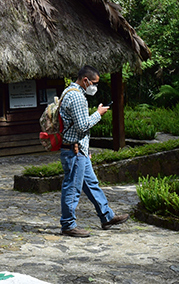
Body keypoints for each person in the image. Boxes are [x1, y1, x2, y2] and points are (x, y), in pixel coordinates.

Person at [58, 65, 129, 237]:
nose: (95, 86)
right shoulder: (77, 97)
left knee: (91, 184)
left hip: (79, 149)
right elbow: (82, 126)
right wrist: (99, 113)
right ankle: (68, 225)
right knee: (72, 188)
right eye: (94, 83)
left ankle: (106, 216)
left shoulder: (69, 91)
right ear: (85, 80)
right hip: (74, 151)